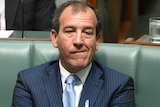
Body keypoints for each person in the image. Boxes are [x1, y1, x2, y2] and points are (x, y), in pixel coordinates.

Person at [11, 1, 135, 107]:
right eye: (70, 31)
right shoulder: (29, 82)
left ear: (97, 40)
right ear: (55, 38)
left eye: (87, 32)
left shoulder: (119, 86)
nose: (78, 41)